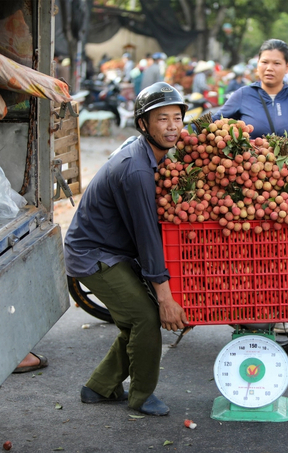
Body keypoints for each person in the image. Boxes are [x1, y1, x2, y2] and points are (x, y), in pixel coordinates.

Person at [63, 82, 190, 416]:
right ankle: (141, 396)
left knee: (134, 321)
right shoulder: (136, 169)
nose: (173, 126)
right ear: (143, 124)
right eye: (162, 119)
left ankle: (98, 387)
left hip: (112, 250)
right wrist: (165, 299)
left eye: (177, 117)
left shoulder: (150, 156)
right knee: (147, 317)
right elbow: (147, 238)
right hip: (93, 255)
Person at [214, 39, 288, 146]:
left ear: (287, 67)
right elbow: (215, 123)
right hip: (252, 162)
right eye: (264, 62)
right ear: (258, 65)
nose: (269, 68)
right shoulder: (243, 95)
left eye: (276, 63)